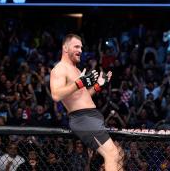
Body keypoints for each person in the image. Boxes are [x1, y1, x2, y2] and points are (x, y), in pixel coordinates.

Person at [50, 34, 121, 170]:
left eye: (81, 47)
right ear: (65, 48)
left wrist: (98, 86)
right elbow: (56, 95)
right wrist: (79, 83)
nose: (80, 50)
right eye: (76, 46)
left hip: (91, 116)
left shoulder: (76, 70)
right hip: (82, 118)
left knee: (115, 154)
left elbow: (83, 96)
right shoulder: (59, 69)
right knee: (112, 154)